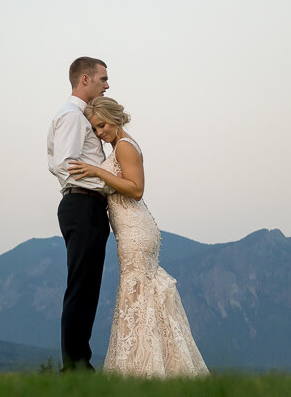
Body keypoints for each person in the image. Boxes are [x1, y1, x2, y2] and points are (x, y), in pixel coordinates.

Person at [68, 97, 208, 377]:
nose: (99, 133)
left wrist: (96, 171)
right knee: (140, 296)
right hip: (130, 230)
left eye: (102, 125)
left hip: (135, 231)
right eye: (95, 129)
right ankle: (152, 363)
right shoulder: (118, 146)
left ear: (115, 118)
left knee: (136, 295)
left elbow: (136, 189)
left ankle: (145, 368)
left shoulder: (125, 146)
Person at [47, 56, 111, 371]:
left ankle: (77, 363)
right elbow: (65, 164)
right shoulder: (73, 116)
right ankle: (75, 367)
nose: (107, 84)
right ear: (84, 80)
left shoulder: (80, 117)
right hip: (82, 203)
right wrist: (109, 178)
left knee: (87, 289)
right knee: (81, 289)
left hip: (87, 205)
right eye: (102, 79)